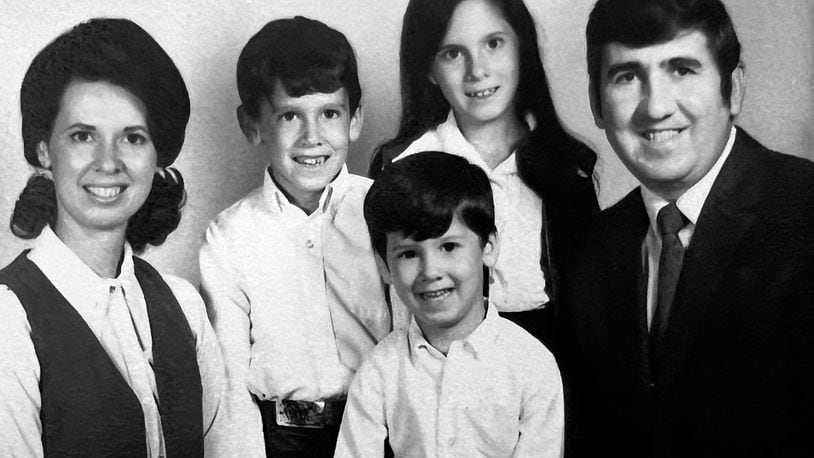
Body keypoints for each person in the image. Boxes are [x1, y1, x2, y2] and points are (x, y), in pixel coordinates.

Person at [557, 0, 814, 456]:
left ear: (732, 89)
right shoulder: (592, 252)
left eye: (682, 69)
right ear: (597, 104)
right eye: (627, 76)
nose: (656, 107)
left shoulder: (804, 211)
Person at [0, 18, 226, 457]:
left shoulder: (184, 306)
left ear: (157, 155)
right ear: (45, 149)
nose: (109, 162)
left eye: (133, 138)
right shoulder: (8, 319)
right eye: (83, 135)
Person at [198, 16, 397, 457]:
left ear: (355, 119)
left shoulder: (384, 209)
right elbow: (229, 384)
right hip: (282, 440)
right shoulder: (230, 237)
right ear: (252, 125)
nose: (312, 137)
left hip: (381, 431)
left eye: (330, 113)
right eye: (290, 115)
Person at [368, 0, 598, 346]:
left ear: (521, 48)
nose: (477, 70)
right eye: (452, 53)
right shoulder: (403, 163)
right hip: (438, 362)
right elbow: (396, 308)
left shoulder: (568, 166)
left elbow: (587, 314)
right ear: (428, 69)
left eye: (493, 43)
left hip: (550, 365)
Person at [336, 151, 564, 457]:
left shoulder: (531, 365)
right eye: (408, 254)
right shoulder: (381, 369)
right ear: (384, 265)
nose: (430, 271)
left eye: (449, 246)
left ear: (489, 247)